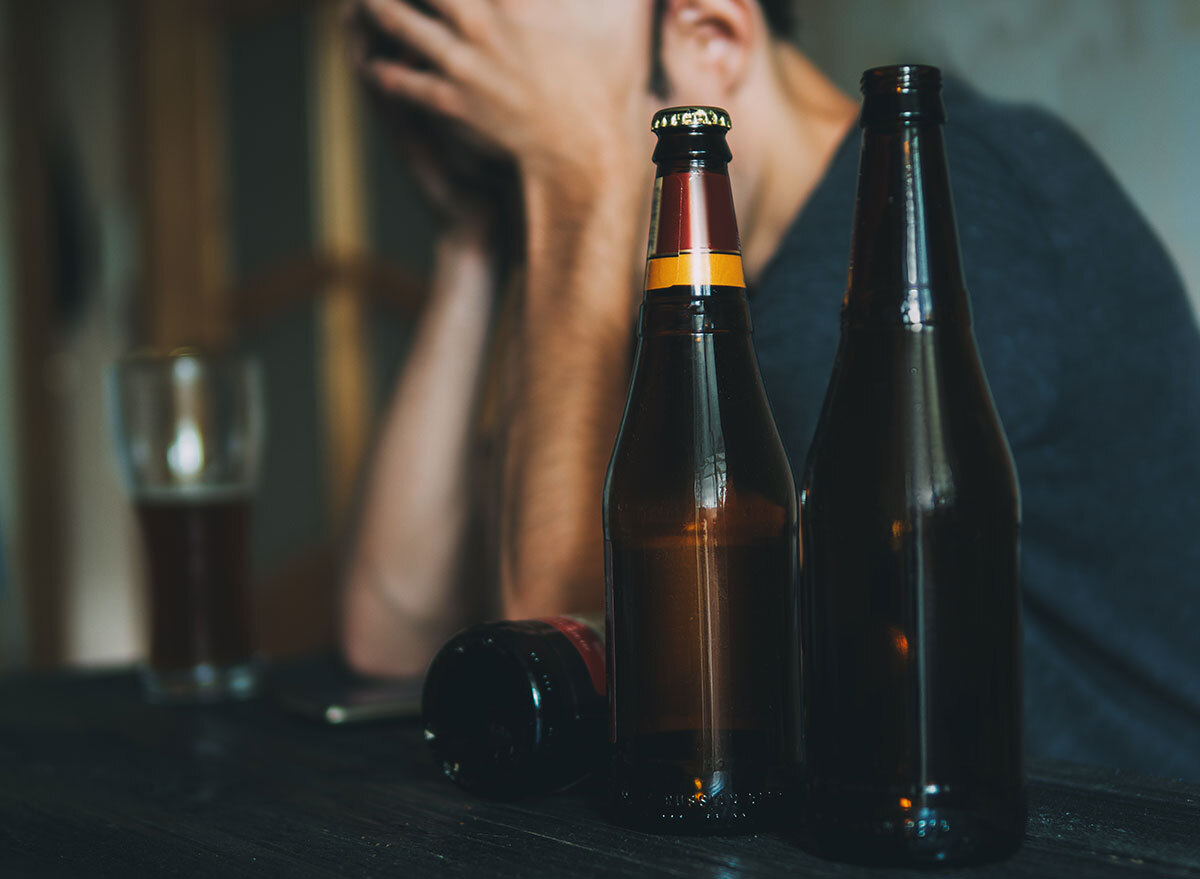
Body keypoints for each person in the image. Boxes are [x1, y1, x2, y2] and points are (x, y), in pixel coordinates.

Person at [340, 0, 1200, 780]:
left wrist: (577, 170)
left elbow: (594, 675)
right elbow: (392, 633)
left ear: (712, 36)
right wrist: (474, 238)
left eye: (524, 101)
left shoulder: (924, 226)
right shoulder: (671, 306)